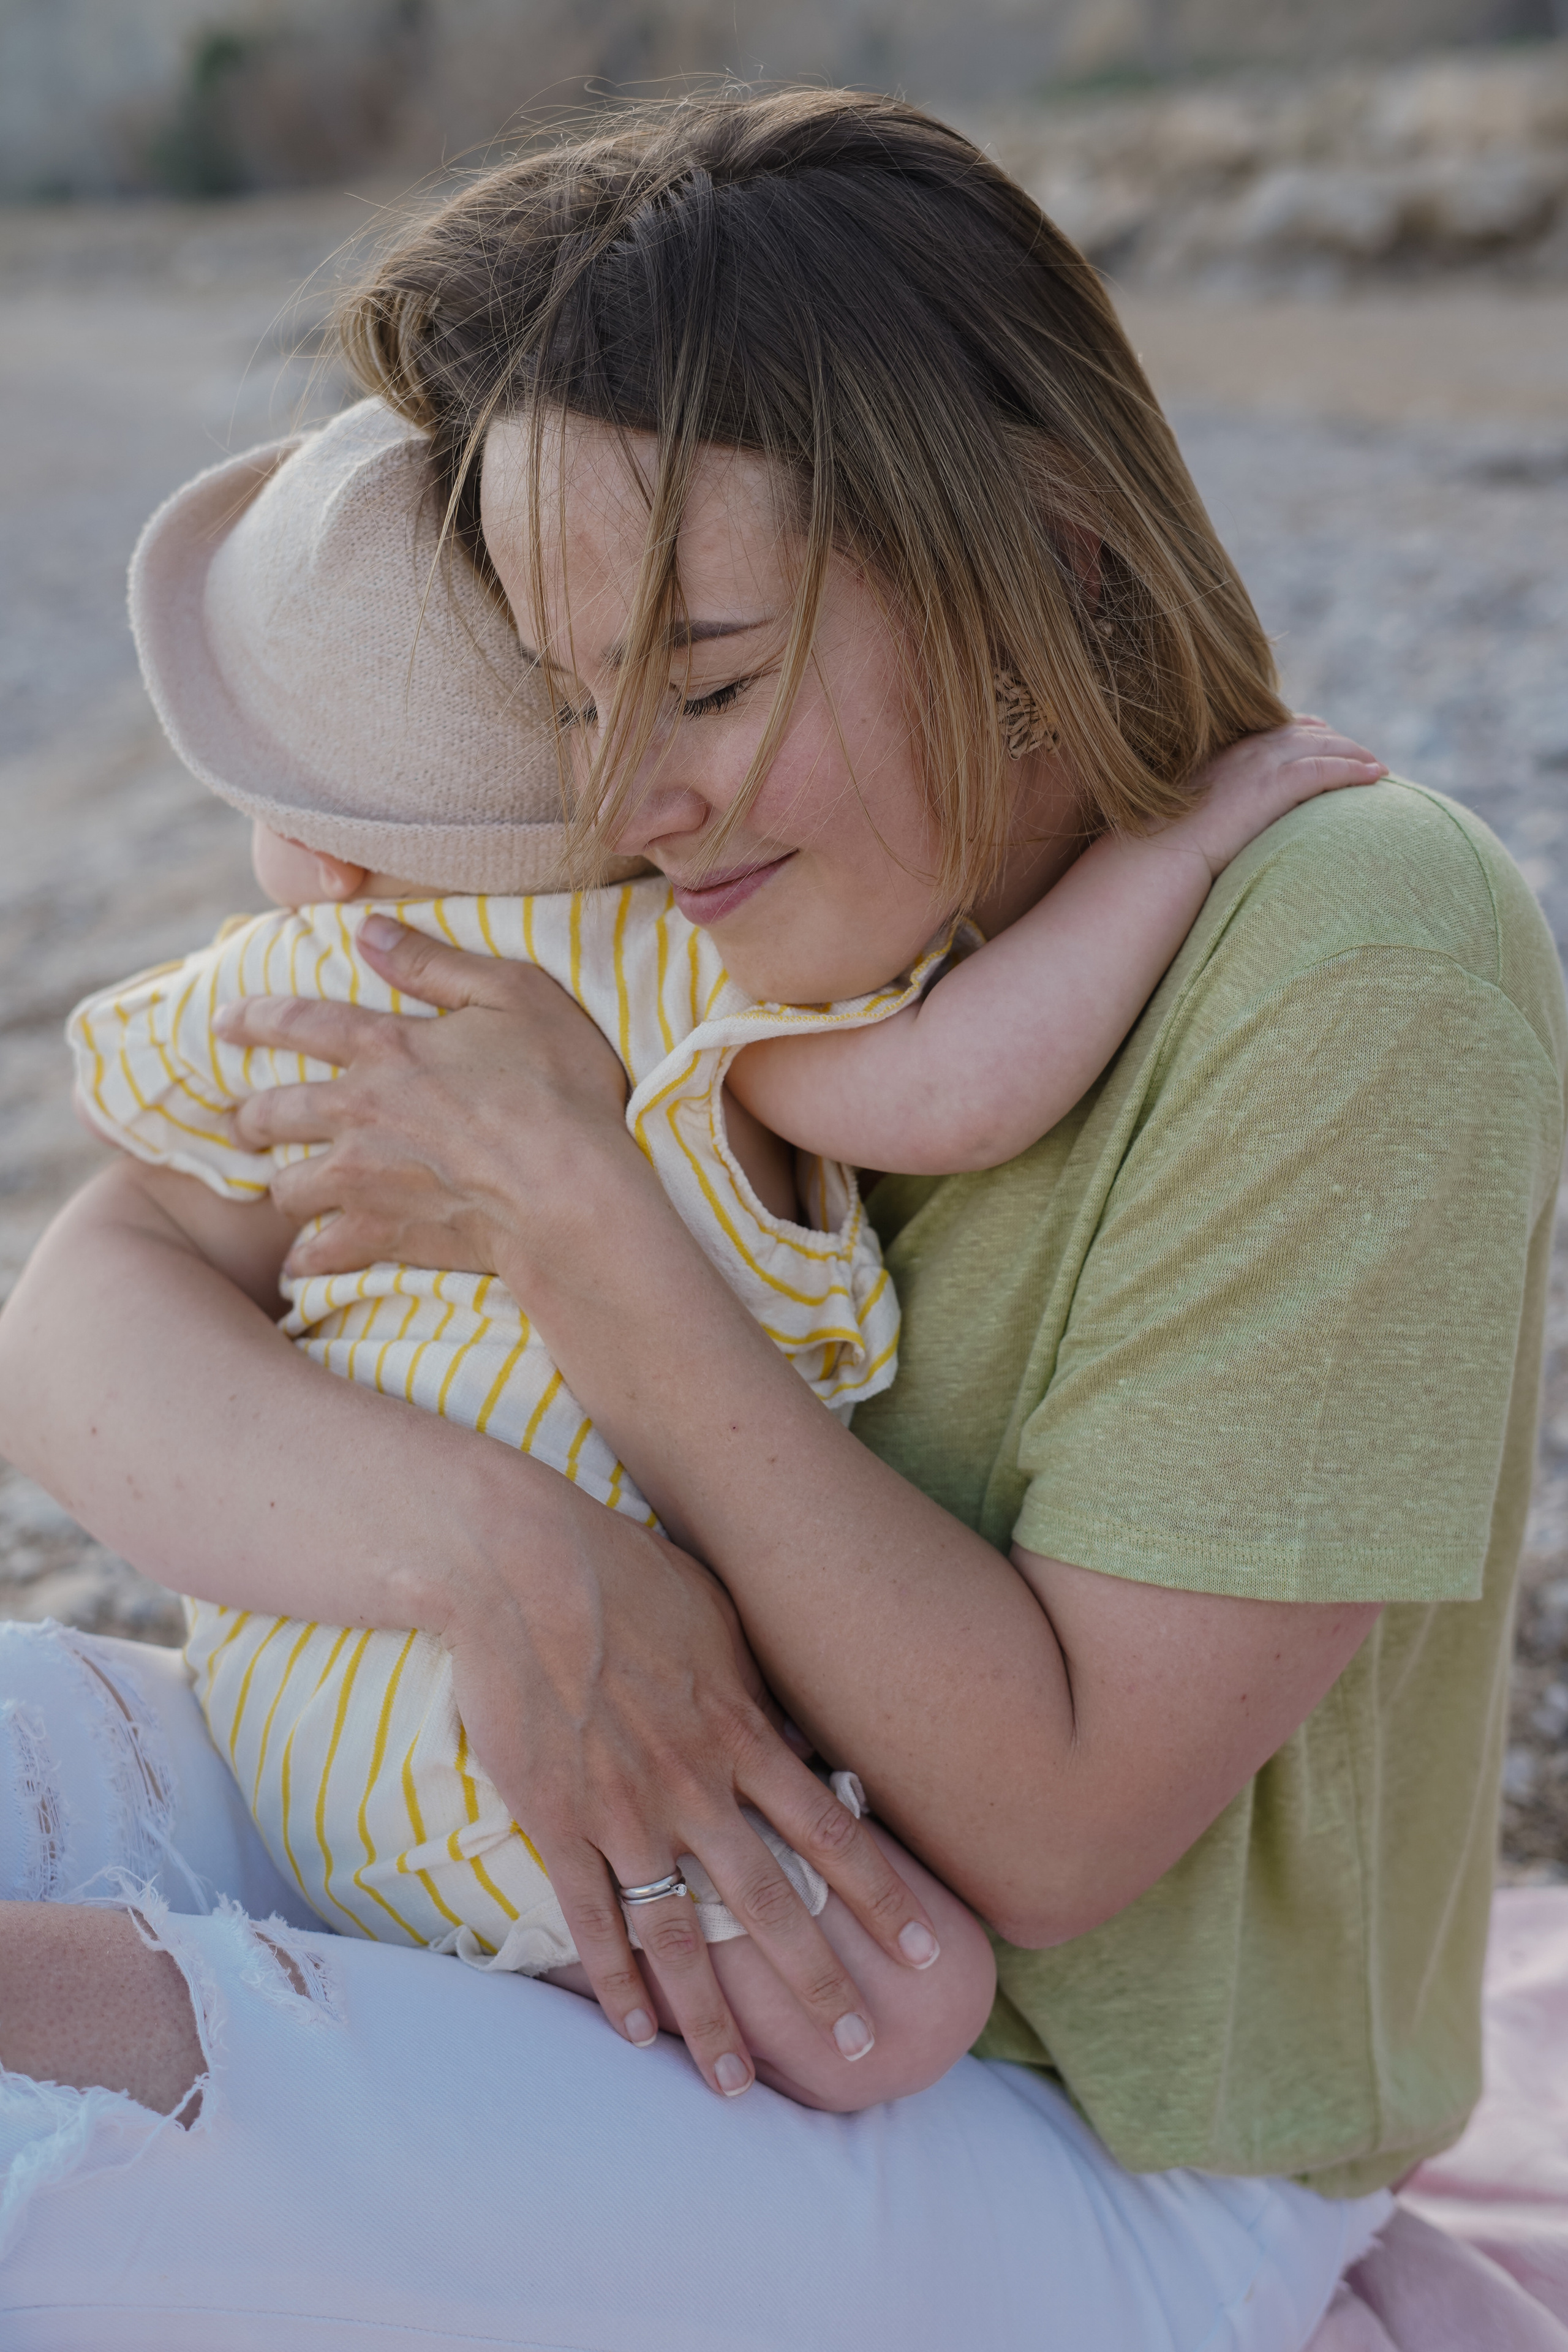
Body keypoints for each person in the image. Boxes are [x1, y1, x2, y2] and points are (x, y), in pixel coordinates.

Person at [0, 85, 1561, 2352]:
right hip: (561, 1866)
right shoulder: (677, 876)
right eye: (570, 704)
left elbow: (1053, 1825)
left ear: (1052, 553)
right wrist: (527, 1564)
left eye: (712, 678)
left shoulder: (1353, 952)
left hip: (1063, 2112)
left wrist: (594, 1238)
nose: (632, 799)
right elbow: (88, 1316)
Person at [63, 391, 1379, 2113]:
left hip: (327, 1717)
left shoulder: (289, 998)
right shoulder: (688, 979)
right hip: (600, 1781)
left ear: (307, 848)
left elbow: (110, 1243)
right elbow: (969, 1085)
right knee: (911, 2000)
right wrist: (1189, 844)